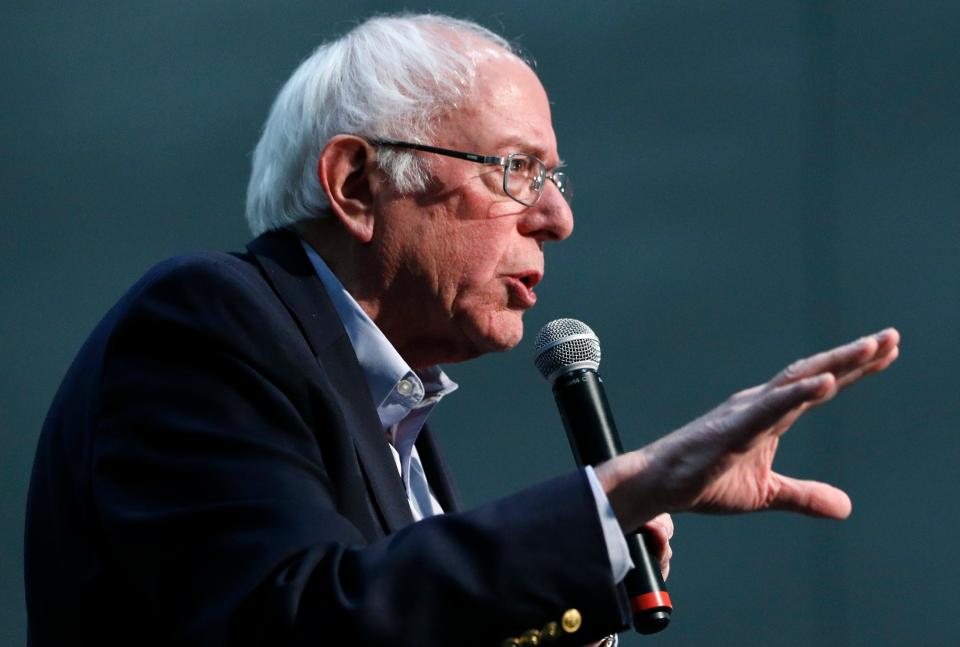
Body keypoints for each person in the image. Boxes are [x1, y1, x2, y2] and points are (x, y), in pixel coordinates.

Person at [24, 13, 900, 647]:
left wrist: (573, 592)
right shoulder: (205, 323)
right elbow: (293, 621)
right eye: (517, 169)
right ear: (357, 184)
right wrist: (619, 495)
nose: (556, 217)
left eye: (555, 176)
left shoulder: (385, 409)